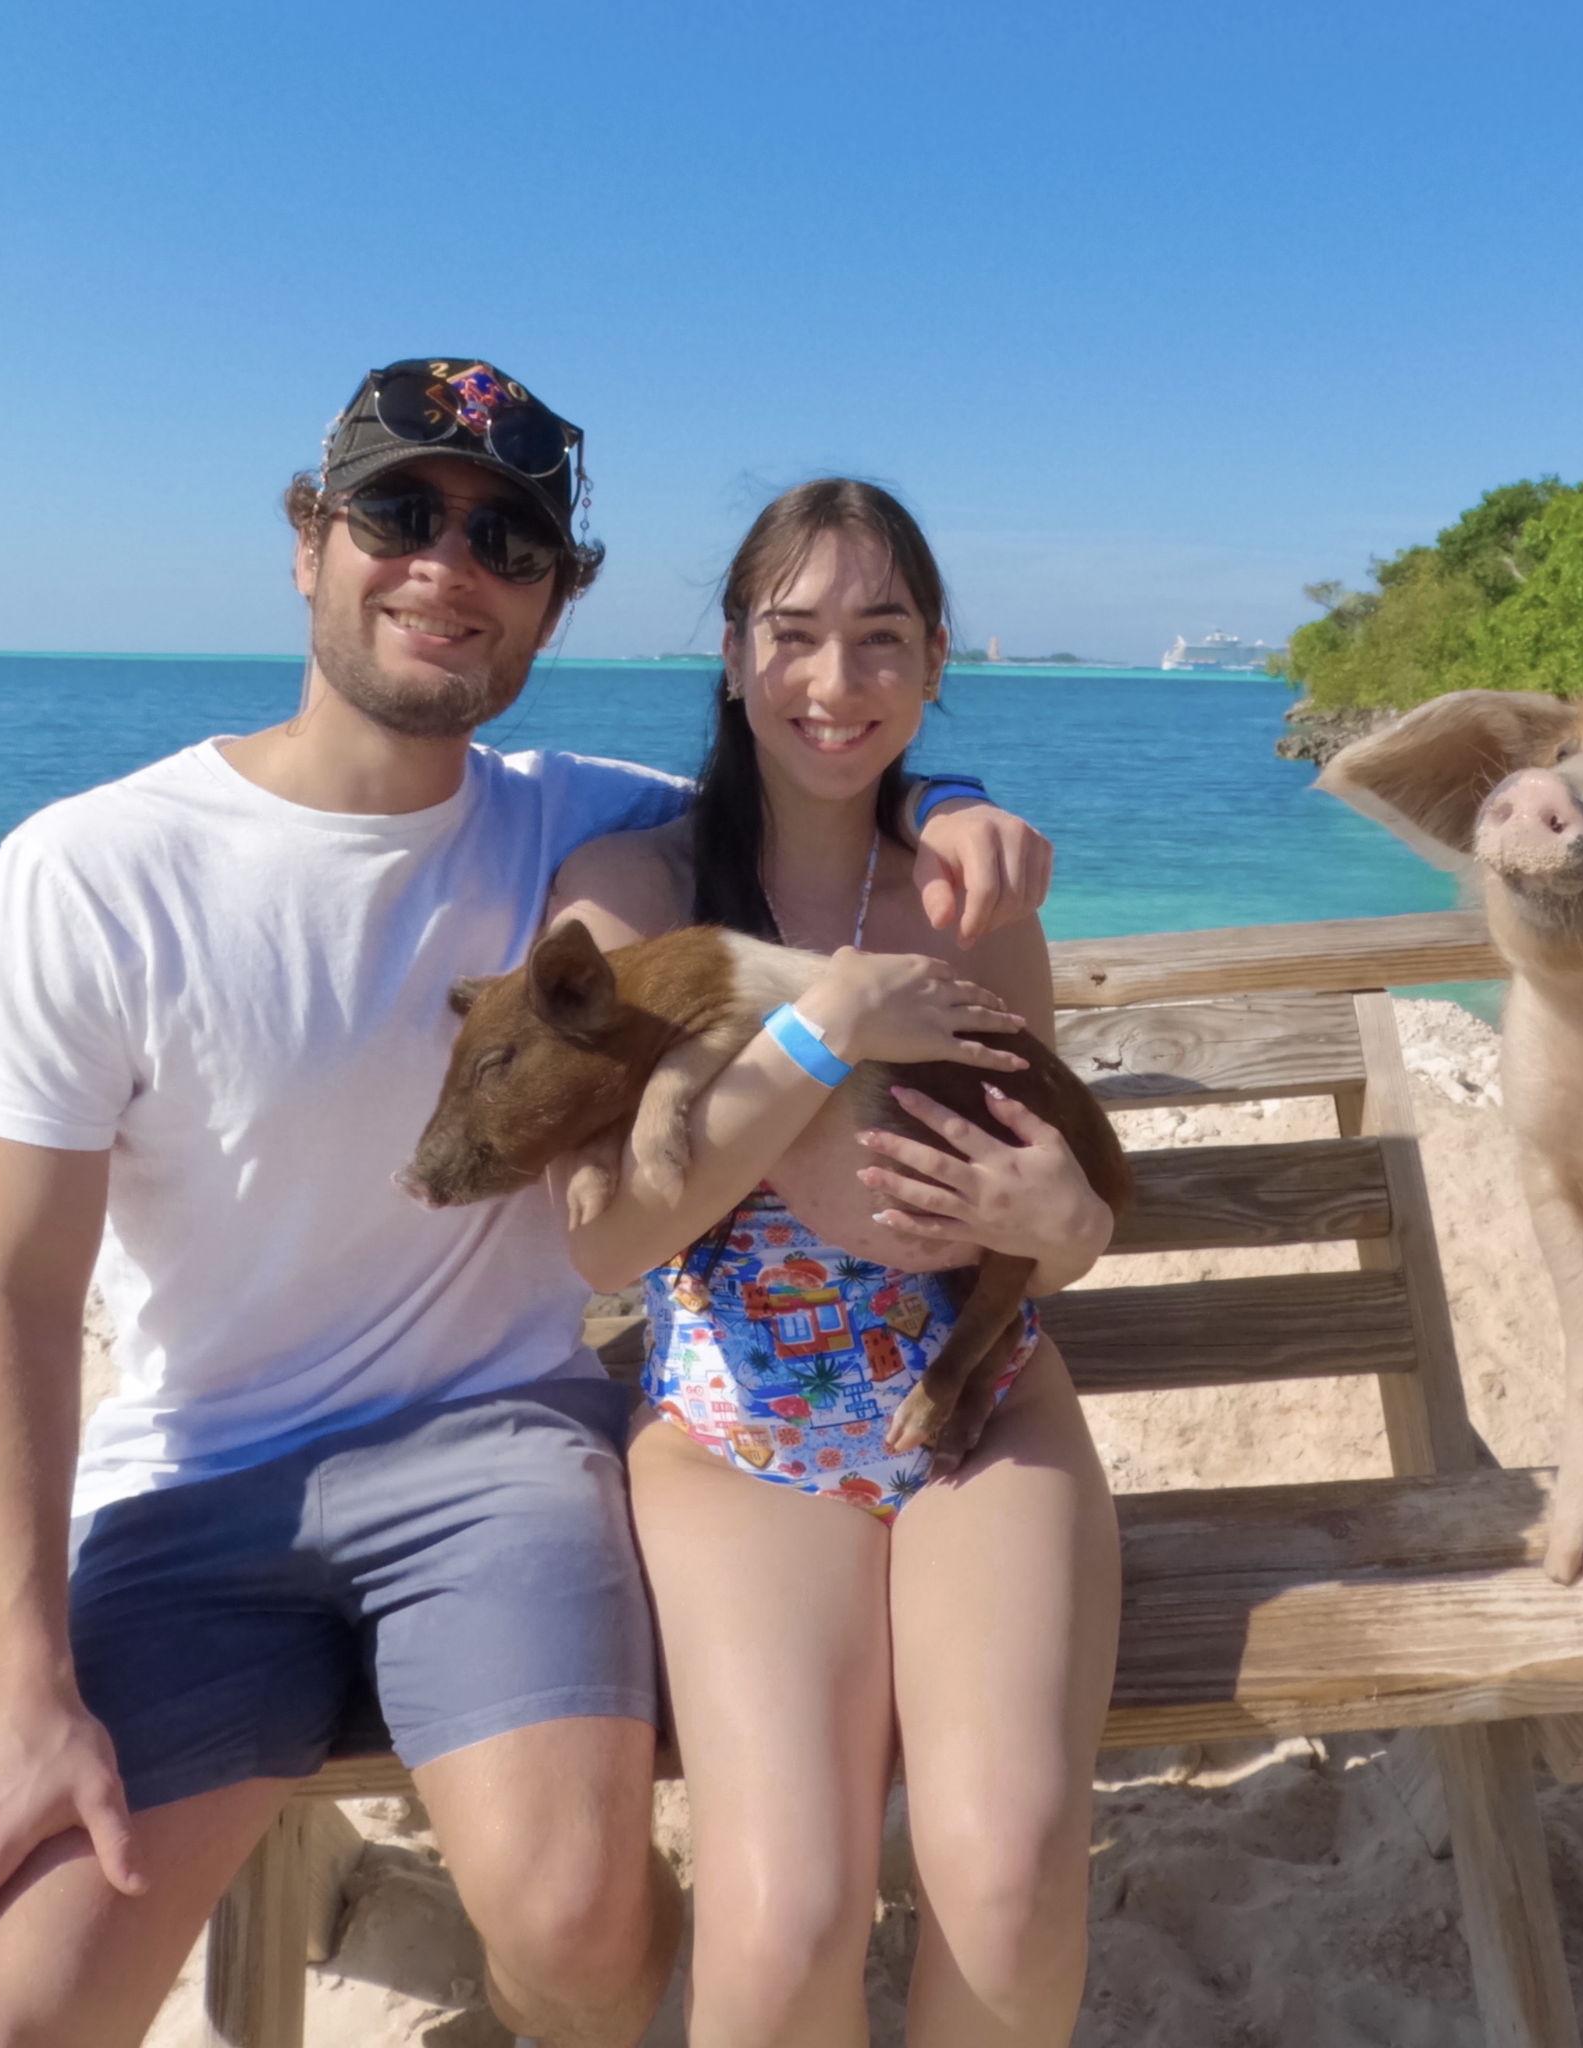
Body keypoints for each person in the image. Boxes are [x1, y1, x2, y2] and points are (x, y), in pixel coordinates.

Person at [0, 363, 1051, 2048]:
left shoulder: (573, 821)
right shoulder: (88, 871)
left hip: (495, 1451)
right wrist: (20, 1691)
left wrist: (955, 802)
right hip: (194, 1494)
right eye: (400, 514)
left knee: (585, 1929)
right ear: (307, 543)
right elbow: (11, 1296)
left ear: (555, 596)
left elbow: (814, 771)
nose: (449, 567)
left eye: (508, 539)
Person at [551, 478, 1123, 2047]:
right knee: (786, 1910)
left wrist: (1059, 1228)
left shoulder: (970, 889)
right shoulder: (644, 896)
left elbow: (1050, 1224)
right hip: (744, 1440)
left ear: (936, 661)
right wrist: (825, 1026)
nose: (835, 683)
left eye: (882, 640)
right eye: (794, 635)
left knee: (1004, 1871)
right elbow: (604, 1231)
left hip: (981, 1408)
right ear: (734, 655)